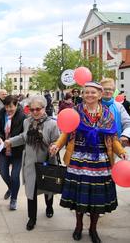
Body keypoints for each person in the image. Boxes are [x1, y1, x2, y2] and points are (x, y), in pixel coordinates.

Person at [50, 81, 127, 243]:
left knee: (96, 198)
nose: (89, 95)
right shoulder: (75, 112)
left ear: (100, 95)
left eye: (93, 92)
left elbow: (112, 138)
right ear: (82, 94)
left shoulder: (107, 114)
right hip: (78, 158)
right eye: (86, 92)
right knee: (79, 196)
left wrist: (121, 152)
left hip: (101, 161)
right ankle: (78, 226)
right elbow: (66, 132)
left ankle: (93, 229)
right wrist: (57, 145)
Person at [2, 95, 59, 230]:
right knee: (31, 191)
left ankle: (49, 206)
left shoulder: (52, 124)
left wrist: (54, 147)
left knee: (47, 188)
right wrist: (10, 141)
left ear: (44, 108)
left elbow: (57, 140)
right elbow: (23, 137)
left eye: (37, 109)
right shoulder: (27, 122)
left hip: (47, 162)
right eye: (31, 109)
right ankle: (31, 218)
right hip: (30, 163)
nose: (34, 112)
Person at [0, 95, 26, 210]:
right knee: (3, 172)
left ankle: (14, 199)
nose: (8, 109)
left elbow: (23, 135)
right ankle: (11, 188)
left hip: (17, 150)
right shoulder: (1, 114)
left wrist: (11, 141)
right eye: (6, 107)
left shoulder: (22, 117)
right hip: (3, 149)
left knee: (15, 175)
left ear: (16, 105)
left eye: (11, 107)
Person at [100, 78, 130, 146]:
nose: (108, 91)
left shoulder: (119, 106)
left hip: (116, 145)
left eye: (110, 89)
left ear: (113, 91)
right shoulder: (94, 104)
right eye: (105, 89)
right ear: (100, 91)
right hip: (98, 145)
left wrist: (125, 135)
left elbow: (128, 123)